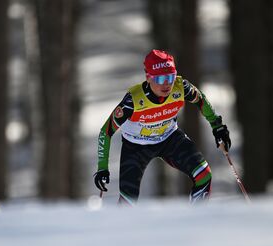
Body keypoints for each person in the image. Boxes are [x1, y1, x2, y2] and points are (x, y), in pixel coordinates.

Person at [93, 49, 231, 205]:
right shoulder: (133, 101)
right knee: (128, 201)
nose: (166, 84)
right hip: (136, 147)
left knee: (204, 175)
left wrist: (217, 126)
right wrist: (103, 167)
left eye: (170, 77)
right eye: (160, 79)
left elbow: (201, 100)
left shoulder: (181, 87)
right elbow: (106, 132)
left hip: (169, 139)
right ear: (148, 77)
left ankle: (196, 220)